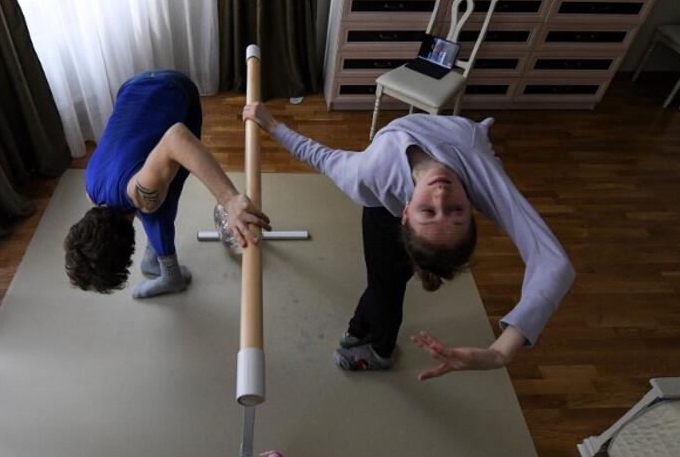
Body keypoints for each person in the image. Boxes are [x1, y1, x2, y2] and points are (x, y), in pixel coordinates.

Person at [243, 104, 574, 380]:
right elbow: (554, 262)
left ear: (409, 213)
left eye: (430, 211)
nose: (442, 194)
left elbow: (320, 157)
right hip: (382, 203)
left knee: (386, 285)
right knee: (380, 277)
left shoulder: (370, 173)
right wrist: (271, 123)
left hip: (386, 200)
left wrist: (500, 352)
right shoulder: (477, 170)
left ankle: (379, 350)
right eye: (456, 210)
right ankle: (361, 327)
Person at [64, 70, 268, 298]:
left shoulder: (141, 193)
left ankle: (170, 274)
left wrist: (229, 199)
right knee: (148, 200)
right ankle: (159, 261)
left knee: (152, 203)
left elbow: (177, 137)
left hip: (176, 89)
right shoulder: (91, 188)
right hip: (132, 87)